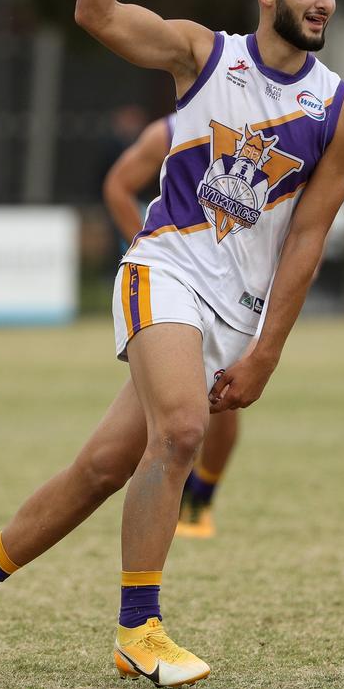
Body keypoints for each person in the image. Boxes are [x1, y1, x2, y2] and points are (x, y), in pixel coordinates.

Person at [0, 0, 344, 687]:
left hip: (234, 317)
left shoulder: (342, 112)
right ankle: (139, 628)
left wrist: (267, 348)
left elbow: (306, 240)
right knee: (187, 429)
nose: (324, 1)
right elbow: (95, 15)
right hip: (164, 268)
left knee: (101, 468)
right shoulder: (204, 53)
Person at [103, 111, 239, 538]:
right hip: (173, 283)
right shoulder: (174, 128)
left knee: (225, 394)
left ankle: (202, 496)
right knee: (176, 408)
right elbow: (118, 186)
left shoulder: (265, 122)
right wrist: (149, 249)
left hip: (233, 290)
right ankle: (182, 494)